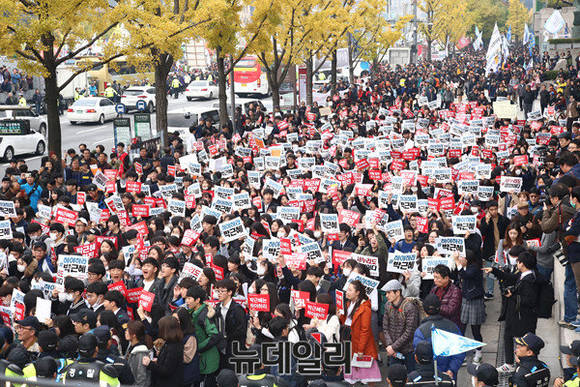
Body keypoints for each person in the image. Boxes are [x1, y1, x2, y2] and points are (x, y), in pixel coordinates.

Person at [484, 251, 539, 372]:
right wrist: (494, 271)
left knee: (523, 342)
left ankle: (524, 365)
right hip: (516, 315)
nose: (516, 263)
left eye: (518, 261)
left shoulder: (529, 280)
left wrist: (511, 296)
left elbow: (529, 300)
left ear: (522, 264)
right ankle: (511, 363)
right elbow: (510, 278)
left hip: (523, 318)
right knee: (508, 336)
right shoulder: (523, 275)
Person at [339, 280, 381, 385]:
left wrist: (361, 350)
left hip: (361, 344)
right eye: (347, 289)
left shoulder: (365, 307)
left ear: (357, 292)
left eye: (350, 290)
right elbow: (345, 321)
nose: (346, 292)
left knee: (369, 373)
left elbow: (365, 330)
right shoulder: (348, 303)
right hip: (349, 341)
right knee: (351, 373)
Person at [413, 294, 464, 380]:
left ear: (424, 310)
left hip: (430, 378)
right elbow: (460, 351)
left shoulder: (421, 331)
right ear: (440, 308)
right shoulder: (452, 327)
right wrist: (451, 370)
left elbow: (419, 355)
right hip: (449, 377)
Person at [185, 286, 220, 387]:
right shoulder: (191, 313)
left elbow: (214, 335)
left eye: (189, 298)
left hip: (208, 360)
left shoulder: (205, 315)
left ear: (198, 300)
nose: (186, 301)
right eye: (186, 298)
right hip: (199, 359)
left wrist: (198, 347)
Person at [381, 279, 419, 372]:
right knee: (394, 377)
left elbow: (409, 332)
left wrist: (393, 347)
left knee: (411, 377)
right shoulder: (387, 305)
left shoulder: (409, 307)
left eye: (389, 293)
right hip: (394, 351)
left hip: (408, 350)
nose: (387, 296)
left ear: (397, 292)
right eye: (386, 293)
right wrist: (390, 346)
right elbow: (385, 327)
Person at [142, 315, 184, 387]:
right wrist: (158, 360)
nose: (159, 330)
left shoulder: (173, 347)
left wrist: (150, 364)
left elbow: (166, 371)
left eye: (160, 327)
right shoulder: (170, 342)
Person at [214, 278, 247, 369]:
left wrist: (226, 337)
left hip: (233, 348)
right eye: (218, 291)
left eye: (222, 291)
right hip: (219, 347)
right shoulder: (217, 307)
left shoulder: (237, 309)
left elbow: (241, 330)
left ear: (229, 292)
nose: (219, 293)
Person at [124, 320, 152, 387]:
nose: (125, 332)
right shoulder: (131, 346)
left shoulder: (141, 353)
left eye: (127, 330)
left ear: (134, 335)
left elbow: (141, 377)